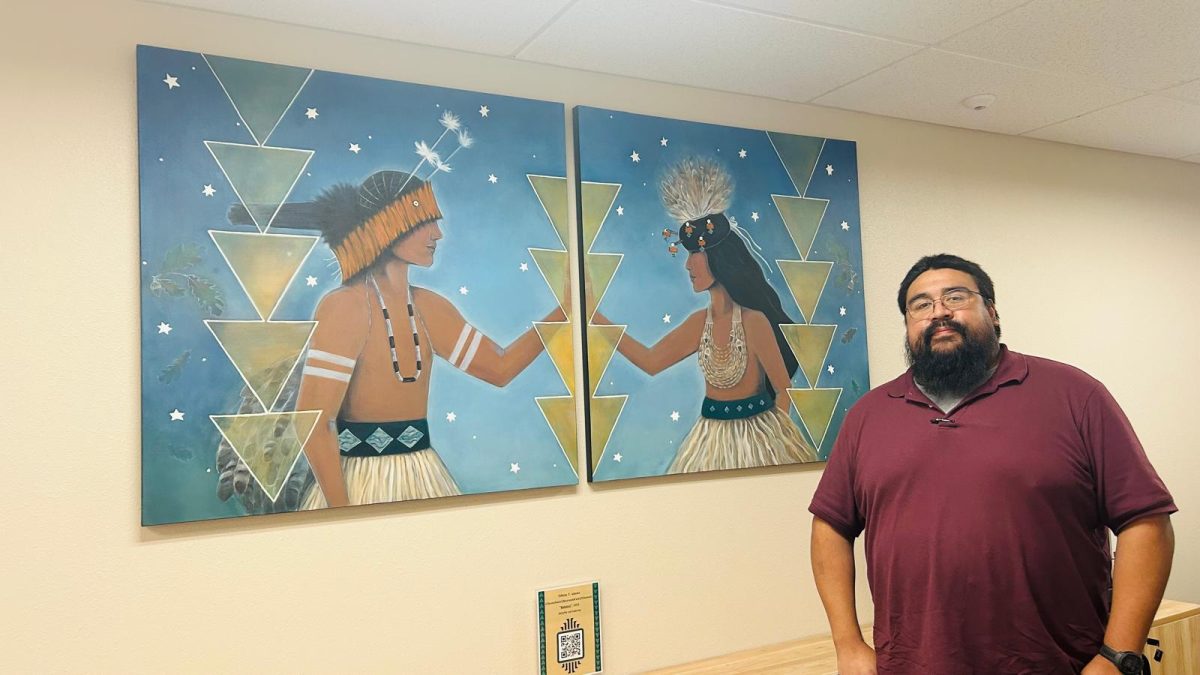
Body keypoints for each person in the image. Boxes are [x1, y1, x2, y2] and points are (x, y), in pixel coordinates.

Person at [809, 253, 1176, 674]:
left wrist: (1117, 656)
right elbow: (830, 526)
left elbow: (1146, 521)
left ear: (993, 312)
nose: (939, 312)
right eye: (921, 305)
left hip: (1059, 663)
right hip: (910, 665)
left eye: (956, 296)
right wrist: (848, 644)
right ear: (908, 325)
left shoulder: (1075, 395)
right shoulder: (868, 415)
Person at [264, 170, 564, 508]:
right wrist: (342, 514)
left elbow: (499, 368)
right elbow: (315, 424)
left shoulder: (430, 308)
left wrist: (565, 313)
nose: (437, 233)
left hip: (424, 476)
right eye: (424, 220)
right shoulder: (344, 307)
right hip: (357, 484)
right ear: (388, 224)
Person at [594, 157, 815, 472]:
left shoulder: (754, 321)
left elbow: (783, 390)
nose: (688, 265)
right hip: (709, 440)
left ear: (719, 258)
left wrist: (775, 445)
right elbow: (651, 361)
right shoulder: (701, 324)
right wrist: (597, 320)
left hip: (760, 437)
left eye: (695, 255)